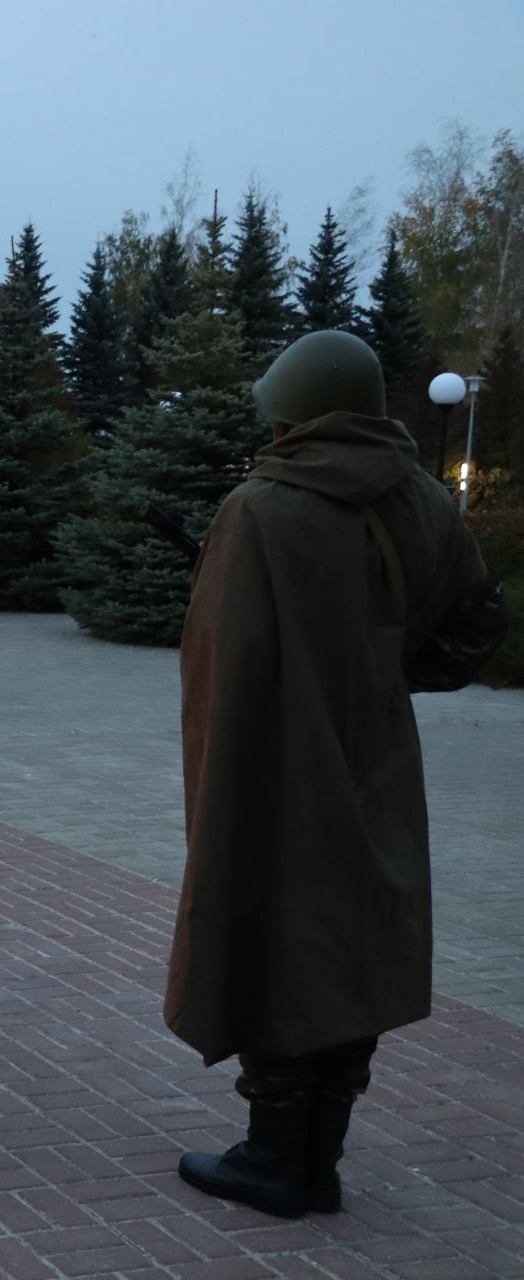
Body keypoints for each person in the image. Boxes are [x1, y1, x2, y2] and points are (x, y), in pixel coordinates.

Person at [167, 330, 506, 1220]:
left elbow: (220, 659)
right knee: (353, 942)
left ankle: (275, 1159)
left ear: (296, 407)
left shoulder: (261, 506)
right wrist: (383, 677)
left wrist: (221, 767)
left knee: (273, 932)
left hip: (270, 760)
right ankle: (318, 1160)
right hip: (377, 760)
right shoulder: (425, 500)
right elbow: (477, 625)